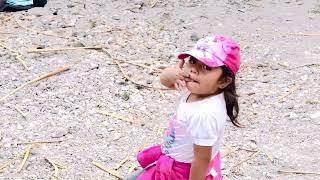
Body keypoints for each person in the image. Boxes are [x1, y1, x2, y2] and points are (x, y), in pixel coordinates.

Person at [125, 35, 241, 180]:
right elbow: (165, 81)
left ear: (224, 81)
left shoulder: (205, 114)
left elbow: (201, 159)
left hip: (182, 172)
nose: (193, 70)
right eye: (192, 61)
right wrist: (173, 74)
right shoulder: (199, 87)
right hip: (175, 154)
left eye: (206, 67)